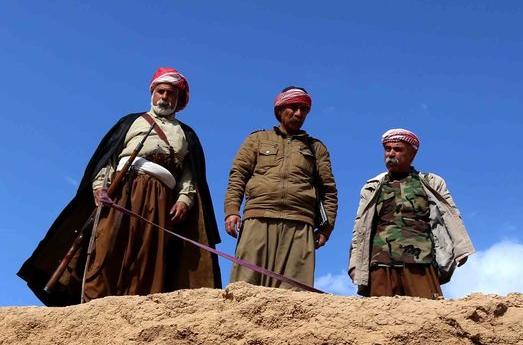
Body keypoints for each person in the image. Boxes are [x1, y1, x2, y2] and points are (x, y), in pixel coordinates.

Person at [18, 67, 222, 306]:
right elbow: (108, 160)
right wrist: (99, 188)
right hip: (122, 191)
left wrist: (184, 199)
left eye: (170, 94)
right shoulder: (131, 122)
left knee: (148, 254)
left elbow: (189, 175)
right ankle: (93, 304)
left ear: (178, 100)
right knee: (106, 245)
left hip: (160, 199)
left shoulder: (186, 135)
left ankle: (139, 306)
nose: (164, 97)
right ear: (152, 93)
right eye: (160, 91)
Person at [224, 86, 338, 290]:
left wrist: (326, 228)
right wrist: (231, 211)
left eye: (304, 109)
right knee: (245, 287)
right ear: (279, 110)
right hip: (257, 218)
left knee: (295, 293)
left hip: (300, 223)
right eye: (293, 107)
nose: (298, 113)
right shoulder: (256, 140)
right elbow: (238, 176)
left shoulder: (316, 148)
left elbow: (328, 190)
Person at [348, 128, 474, 298]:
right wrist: (354, 264)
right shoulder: (372, 187)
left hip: (420, 262)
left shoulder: (431, 183)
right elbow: (360, 228)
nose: (391, 154)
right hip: (381, 264)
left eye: (398, 149)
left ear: (412, 154)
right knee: (381, 316)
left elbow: (451, 214)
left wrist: (461, 249)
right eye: (387, 149)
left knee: (427, 315)